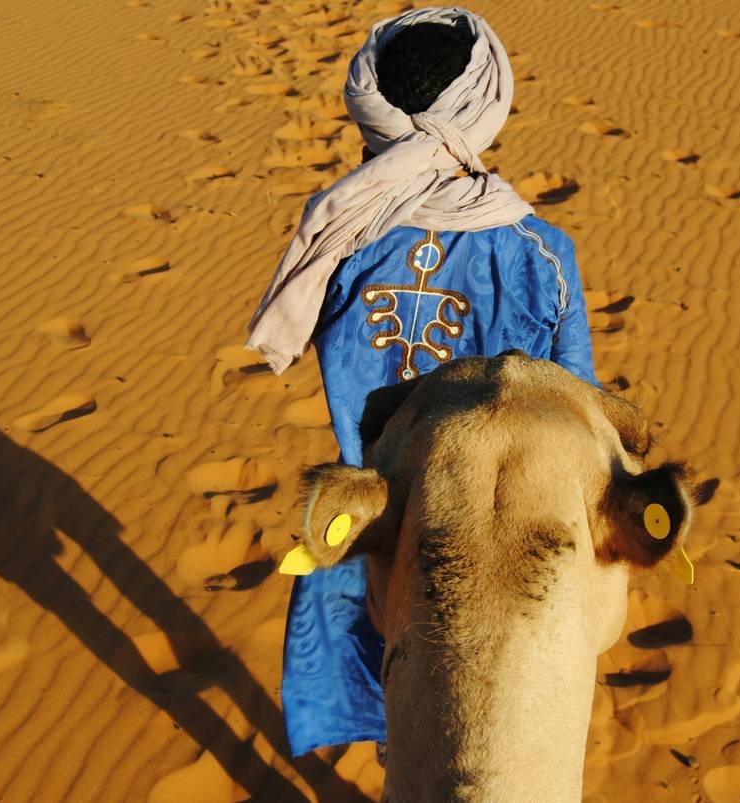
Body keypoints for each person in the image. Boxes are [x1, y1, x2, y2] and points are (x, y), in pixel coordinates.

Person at [247, 7, 600, 757]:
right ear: (485, 108)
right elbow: (580, 415)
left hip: (369, 522)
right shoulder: (542, 253)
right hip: (487, 546)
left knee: (394, 693)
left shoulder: (341, 239)